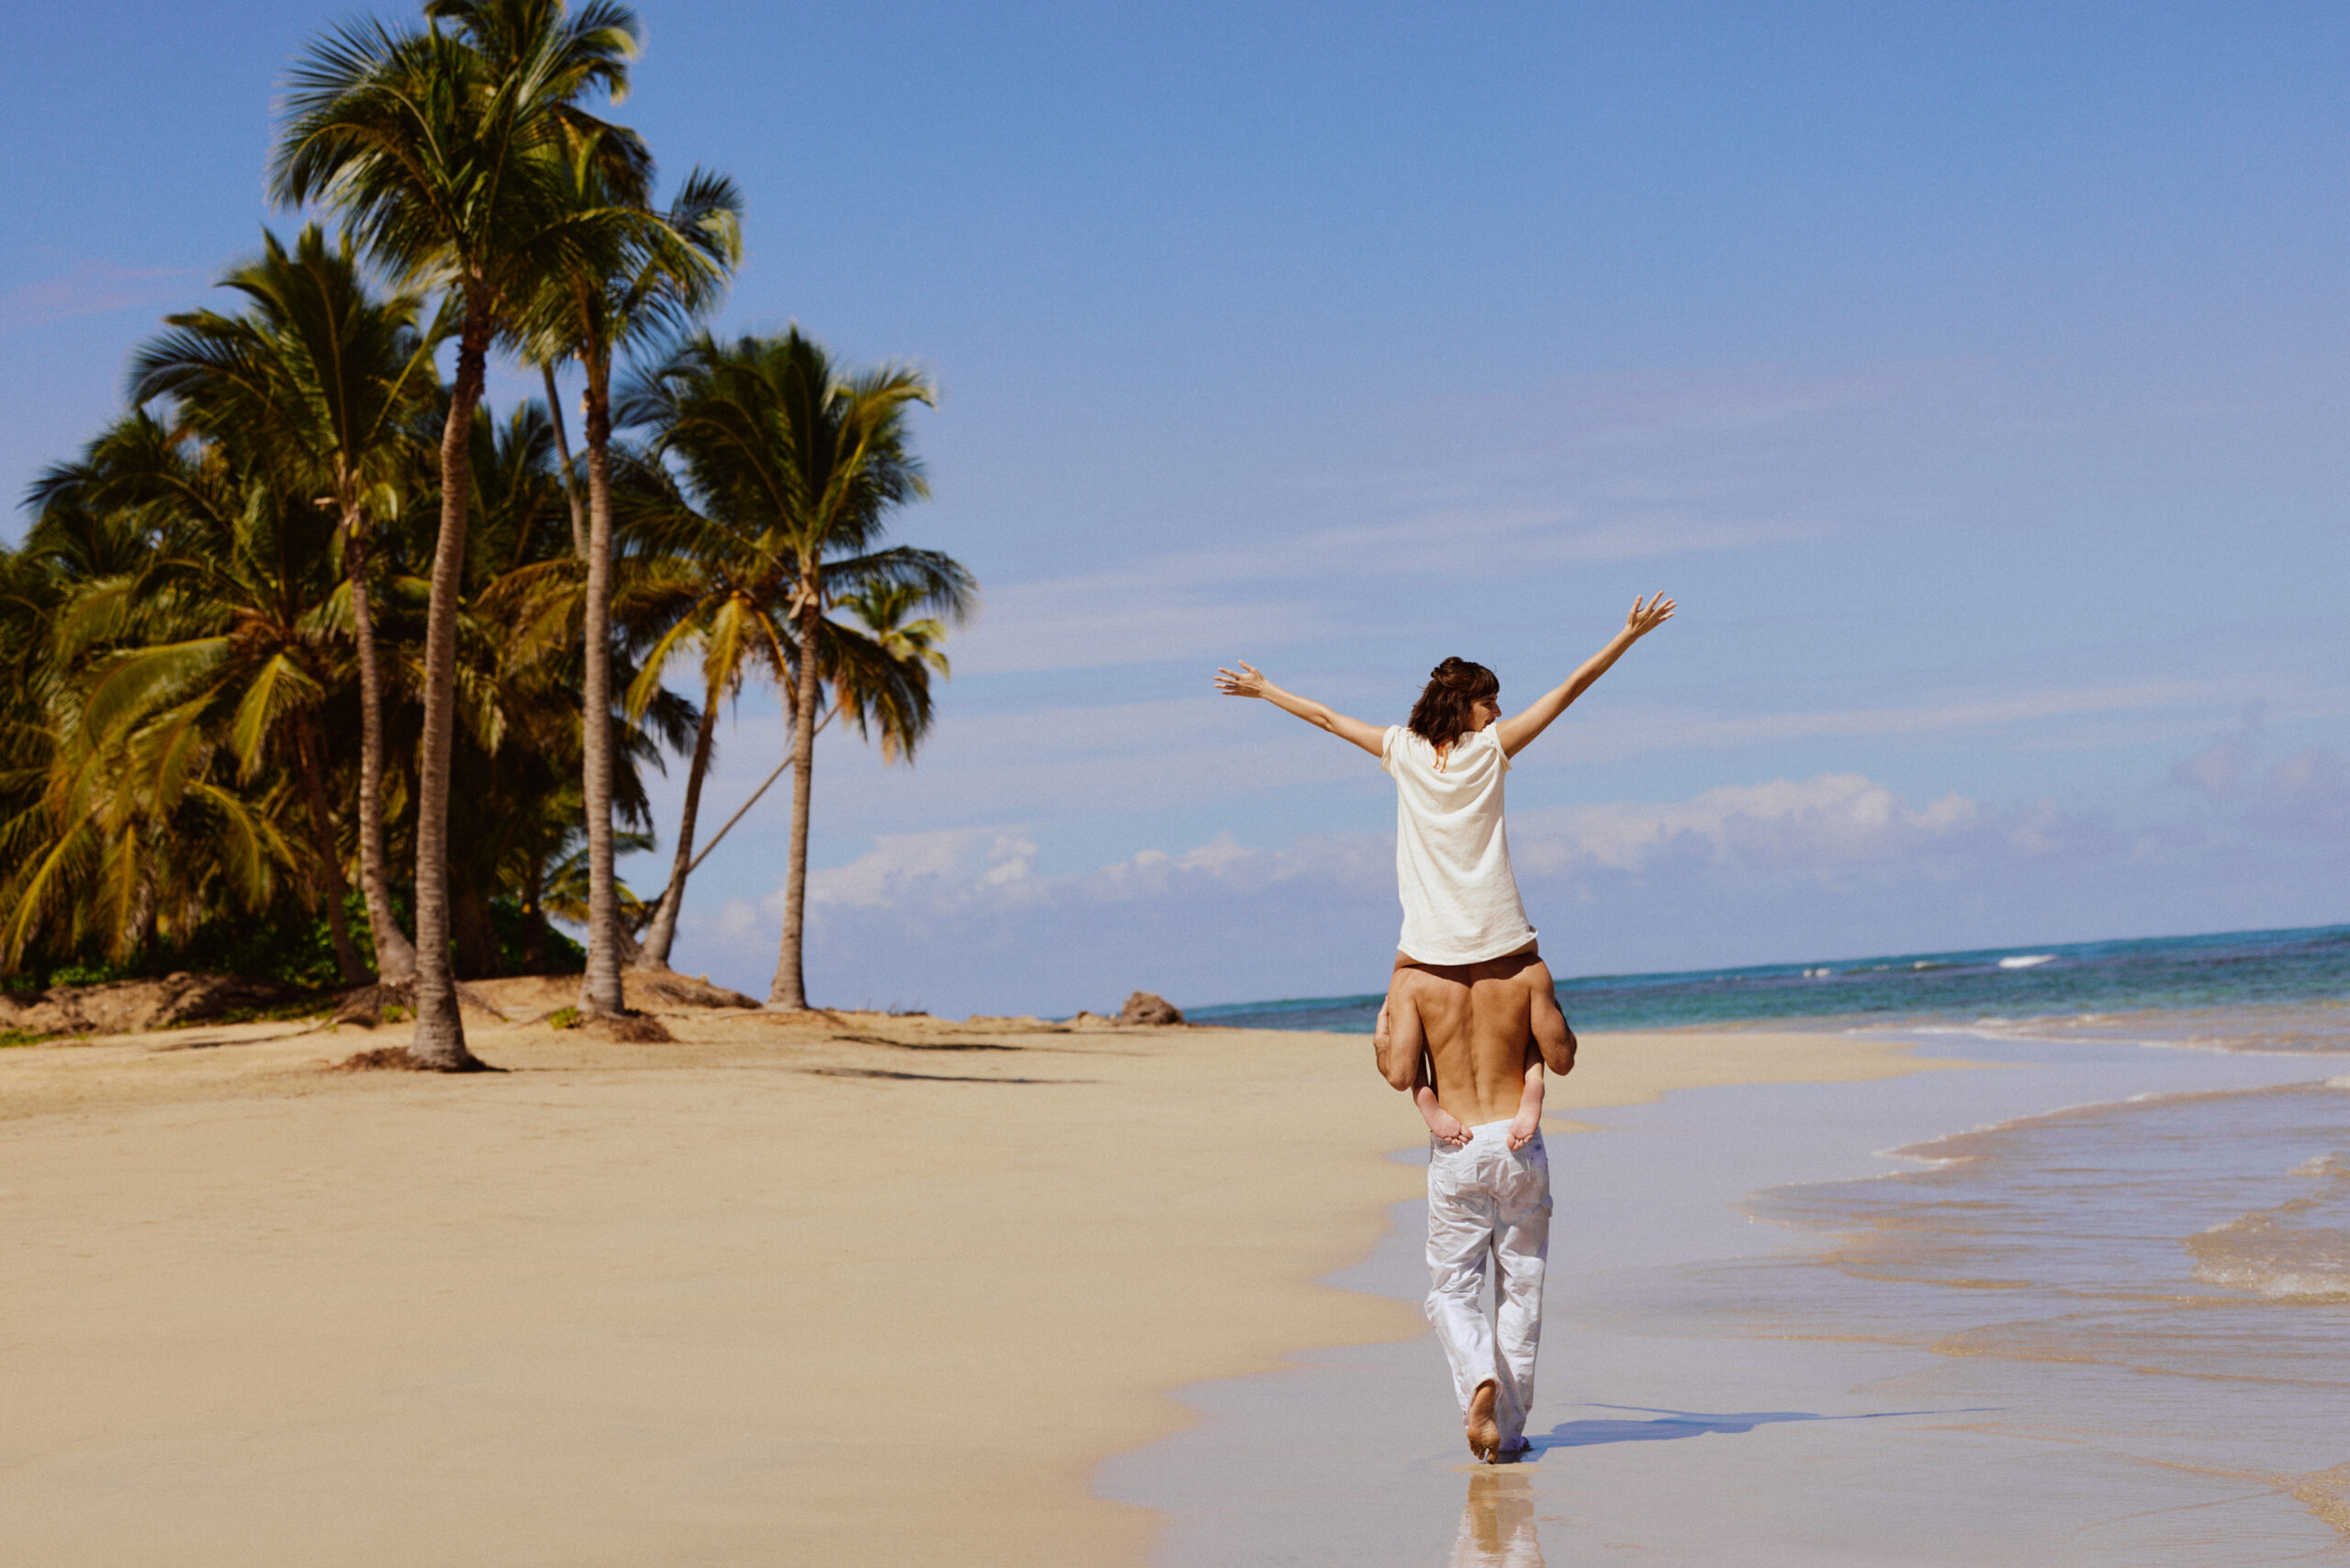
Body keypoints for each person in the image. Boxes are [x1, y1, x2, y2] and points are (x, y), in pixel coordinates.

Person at [1214, 592, 1675, 1459]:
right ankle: (1510, 1421)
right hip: (1505, 945)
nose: (1499, 711)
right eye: (1490, 699)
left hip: (1426, 955)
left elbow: (1325, 718)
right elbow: (1571, 691)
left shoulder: (1399, 752)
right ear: (1466, 707)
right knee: (1524, 1287)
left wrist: (1266, 689)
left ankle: (1477, 1388)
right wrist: (1625, 635)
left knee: (1451, 1285)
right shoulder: (1493, 752)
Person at [1379, 955, 1572, 1460]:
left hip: (1457, 1143)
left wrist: (1382, 1042)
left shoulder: (1412, 980)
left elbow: (1400, 1074)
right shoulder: (1527, 971)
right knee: (1521, 1287)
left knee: (1452, 1288)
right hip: (1515, 1139)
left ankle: (1479, 1375)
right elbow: (1562, 1055)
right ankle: (1507, 1434)